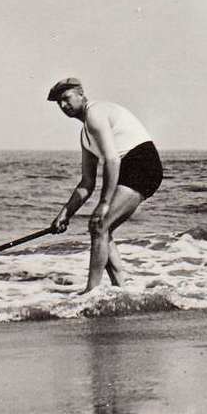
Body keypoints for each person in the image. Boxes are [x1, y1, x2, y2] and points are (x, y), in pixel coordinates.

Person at [46, 78, 163, 294]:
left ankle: (91, 292)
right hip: (130, 168)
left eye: (66, 98)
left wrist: (104, 203)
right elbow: (86, 182)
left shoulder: (95, 114)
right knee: (102, 228)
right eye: (58, 103)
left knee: (99, 224)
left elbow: (112, 160)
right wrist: (65, 213)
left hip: (142, 164)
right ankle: (121, 289)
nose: (63, 106)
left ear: (81, 94)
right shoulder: (85, 135)